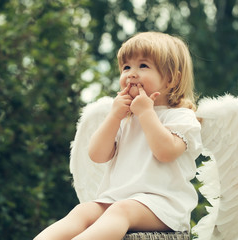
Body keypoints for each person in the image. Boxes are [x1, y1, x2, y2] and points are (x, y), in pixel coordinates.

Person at [34, 32, 202, 240]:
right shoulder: (125, 118)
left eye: (143, 66)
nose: (131, 74)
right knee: (83, 211)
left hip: (163, 205)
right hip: (118, 199)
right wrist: (114, 117)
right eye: (126, 67)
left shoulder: (181, 117)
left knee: (121, 211)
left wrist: (146, 113)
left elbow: (165, 152)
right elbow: (97, 155)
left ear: (171, 79)